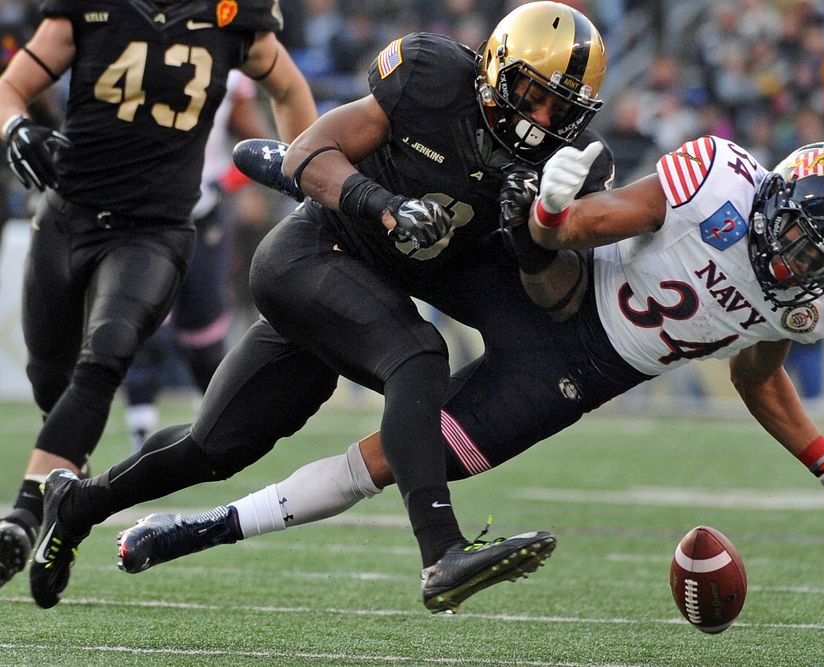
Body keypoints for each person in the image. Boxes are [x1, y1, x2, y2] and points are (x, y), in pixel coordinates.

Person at [34, 134, 824, 616]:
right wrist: (553, 210)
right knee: (459, 232)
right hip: (557, 287)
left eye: (819, 256)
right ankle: (304, 174)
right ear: (769, 202)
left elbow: (758, 377)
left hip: (585, 372)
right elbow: (583, 232)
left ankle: (200, 529)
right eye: (795, 235)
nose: (797, 261)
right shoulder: (715, 179)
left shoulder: (812, 303)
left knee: (390, 459)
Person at [24, 1, 612, 613]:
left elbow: (558, 298)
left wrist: (534, 228)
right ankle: (442, 551)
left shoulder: (572, 165)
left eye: (561, 108)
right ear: (495, 68)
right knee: (418, 353)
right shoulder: (433, 79)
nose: (541, 118)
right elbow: (307, 153)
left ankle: (77, 504)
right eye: (529, 92)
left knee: (214, 447)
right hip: (313, 253)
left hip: (368, 286)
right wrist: (384, 204)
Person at [0, 0, 317, 592]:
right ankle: (67, 483)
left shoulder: (231, 17)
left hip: (154, 230)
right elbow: (12, 86)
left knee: (105, 359)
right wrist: (15, 128)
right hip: (67, 217)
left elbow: (288, 85)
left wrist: (309, 181)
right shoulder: (94, 10)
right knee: (52, 376)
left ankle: (23, 516)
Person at [122, 71, 269, 453]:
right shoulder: (138, 60)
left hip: (203, 216)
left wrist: (226, 181)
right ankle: (141, 433)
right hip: (145, 213)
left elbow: (261, 143)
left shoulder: (229, 75)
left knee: (203, 338)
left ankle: (216, 430)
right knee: (149, 330)